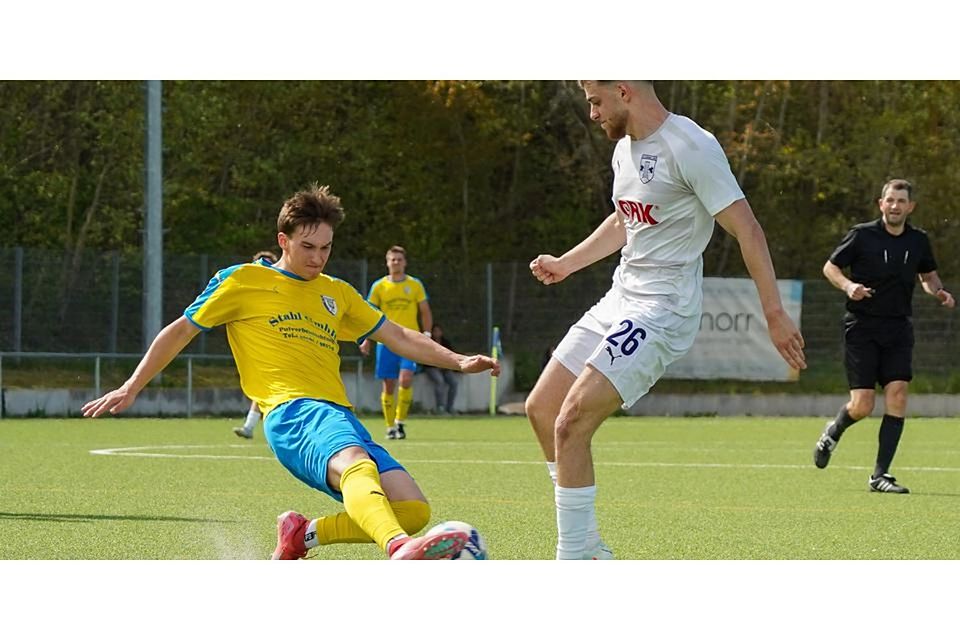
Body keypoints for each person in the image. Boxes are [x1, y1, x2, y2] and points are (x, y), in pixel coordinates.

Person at [81, 184, 500, 561]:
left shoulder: (337, 292)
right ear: (283, 240)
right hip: (292, 411)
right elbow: (180, 331)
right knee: (358, 466)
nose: (318, 257)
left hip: (339, 415)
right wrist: (131, 386)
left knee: (412, 510)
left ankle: (304, 535)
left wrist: (459, 360)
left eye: (326, 248)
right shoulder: (242, 281)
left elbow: (399, 335)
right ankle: (397, 550)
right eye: (307, 247)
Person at [525, 80, 806, 560]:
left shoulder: (690, 146)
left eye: (595, 101)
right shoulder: (624, 151)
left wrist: (774, 313)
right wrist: (568, 262)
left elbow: (748, 229)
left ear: (624, 90)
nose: (592, 114)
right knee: (543, 409)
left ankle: (574, 556)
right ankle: (589, 545)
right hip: (621, 297)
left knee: (571, 421)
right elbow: (623, 220)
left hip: (663, 310)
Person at [813, 178, 955, 493]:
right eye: (890, 200)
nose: (895, 206)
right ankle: (833, 431)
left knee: (899, 394)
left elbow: (927, 274)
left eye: (901, 201)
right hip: (861, 326)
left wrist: (939, 291)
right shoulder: (862, 235)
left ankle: (880, 475)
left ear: (910, 207)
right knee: (862, 405)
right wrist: (849, 286)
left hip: (898, 327)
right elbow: (830, 267)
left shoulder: (918, 240)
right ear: (881, 204)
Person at [359, 246, 432, 440]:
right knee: (389, 385)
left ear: (405, 262)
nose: (396, 263)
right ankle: (390, 426)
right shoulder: (379, 286)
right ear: (387, 262)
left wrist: (426, 334)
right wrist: (366, 339)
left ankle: (400, 422)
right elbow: (369, 314)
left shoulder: (414, 285)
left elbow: (424, 310)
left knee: (406, 378)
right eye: (393, 260)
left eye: (399, 259)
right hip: (386, 342)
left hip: (410, 340)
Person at [234, 249, 279, 439]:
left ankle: (251, 426)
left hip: (280, 349)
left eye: (269, 264)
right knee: (262, 387)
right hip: (259, 349)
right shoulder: (245, 290)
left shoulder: (283, 289)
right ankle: (250, 426)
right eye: (261, 263)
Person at [422, 323, 460, 414]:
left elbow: (451, 355)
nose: (437, 333)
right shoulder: (428, 342)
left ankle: (450, 407)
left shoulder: (445, 343)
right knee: (440, 381)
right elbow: (426, 357)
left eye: (439, 331)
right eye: (435, 331)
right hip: (431, 367)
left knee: (454, 382)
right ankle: (440, 407)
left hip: (444, 367)